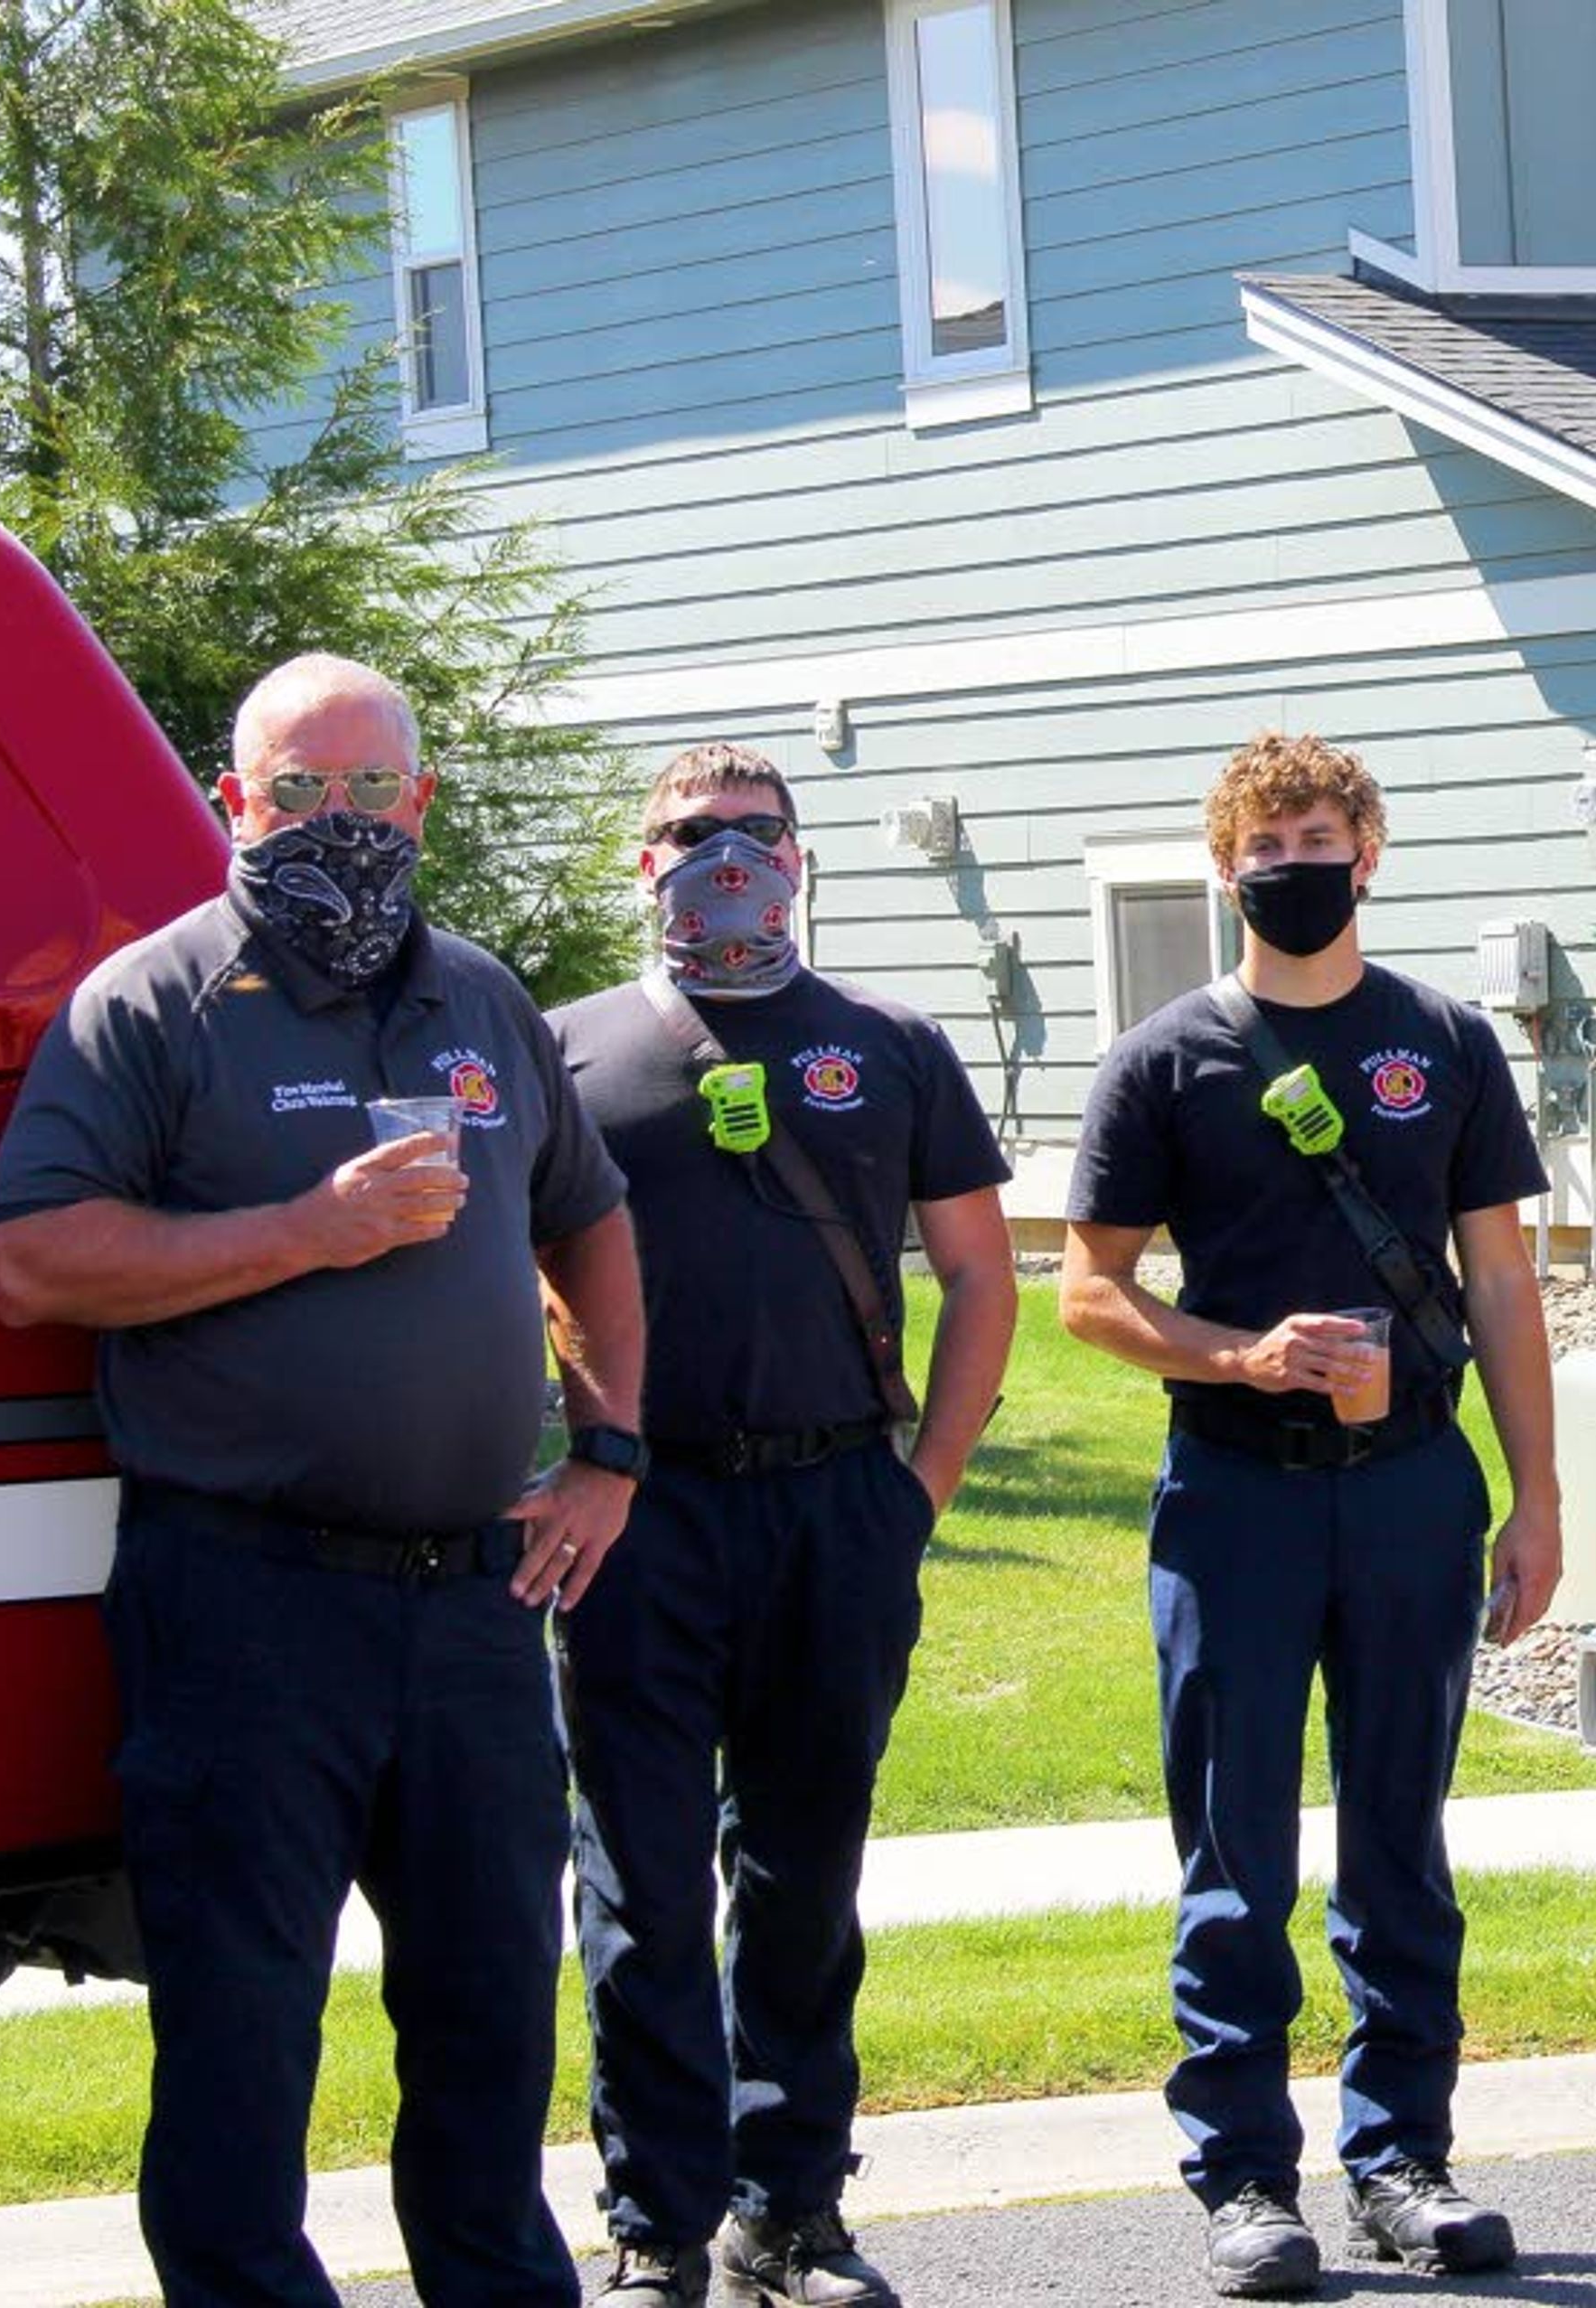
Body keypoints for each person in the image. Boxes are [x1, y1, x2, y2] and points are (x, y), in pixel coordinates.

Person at [0, 654, 643, 2308]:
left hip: (475, 1602)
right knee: (242, 2026)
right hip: (247, 1600)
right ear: (235, 801)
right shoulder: (150, 1002)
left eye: (367, 793)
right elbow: (33, 1262)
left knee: (493, 2006)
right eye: (299, 792)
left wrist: (610, 1449)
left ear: (417, 803)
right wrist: (310, 1228)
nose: (335, 824)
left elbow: (590, 1213)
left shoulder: (483, 998)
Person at [1056, 733, 1560, 2301]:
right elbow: (1088, 1289)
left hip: (1412, 1485)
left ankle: (1402, 2155)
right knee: (1236, 1842)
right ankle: (1244, 2175)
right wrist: (1241, 1353)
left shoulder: (1448, 1041)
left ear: (1372, 849)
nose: (1294, 855)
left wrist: (1537, 1494)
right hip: (1235, 1499)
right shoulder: (1166, 1059)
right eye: (1266, 834)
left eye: (1321, 827)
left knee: (1400, 1836)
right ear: (1226, 865)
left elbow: (1501, 1279)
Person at [545, 745, 1019, 2308]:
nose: (723, 858)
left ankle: (791, 2204)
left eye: (754, 833)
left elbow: (982, 1273)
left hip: (835, 1508)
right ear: (642, 859)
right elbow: (509, 1280)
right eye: (692, 834)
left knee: (808, 1875)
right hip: (639, 1511)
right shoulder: (568, 1052)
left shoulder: (888, 1042)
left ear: (803, 857)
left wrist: (921, 1484)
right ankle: (656, 2218)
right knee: (644, 1884)